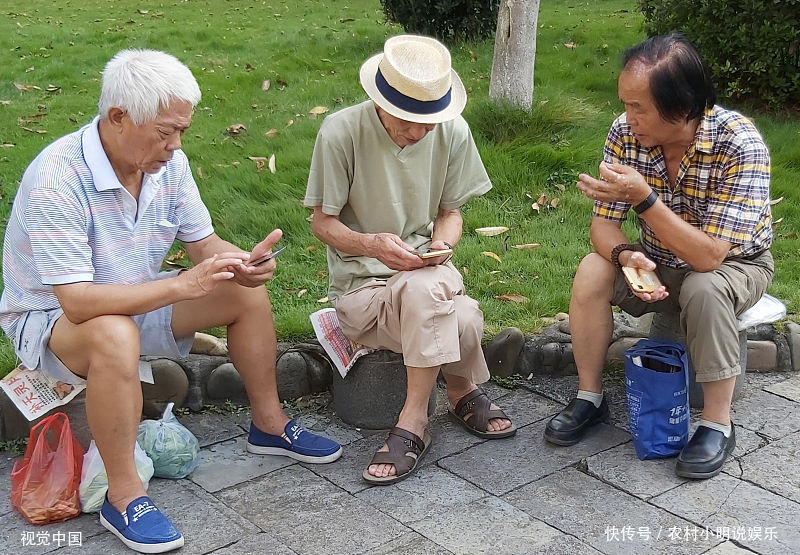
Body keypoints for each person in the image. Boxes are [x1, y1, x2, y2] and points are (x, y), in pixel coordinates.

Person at [0, 49, 341, 553]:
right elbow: (75, 302)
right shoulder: (58, 178)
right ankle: (124, 494)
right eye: (165, 132)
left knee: (241, 293)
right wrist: (182, 286)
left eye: (182, 131)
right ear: (118, 117)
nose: (176, 145)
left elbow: (204, 246)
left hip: (137, 295)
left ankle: (270, 425)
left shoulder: (168, 166)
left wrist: (244, 262)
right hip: (52, 320)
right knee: (114, 331)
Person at [544, 33, 773, 479]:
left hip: (735, 265)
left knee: (705, 288)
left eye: (639, 107)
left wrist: (646, 199)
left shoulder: (739, 144)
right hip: (656, 260)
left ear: (683, 107)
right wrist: (626, 254)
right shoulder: (623, 134)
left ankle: (716, 424)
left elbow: (709, 257)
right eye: (625, 104)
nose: (627, 119)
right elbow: (603, 225)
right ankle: (590, 397)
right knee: (594, 268)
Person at [304, 35, 517, 485]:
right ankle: (444, 399)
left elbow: (450, 213)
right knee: (459, 312)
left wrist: (443, 245)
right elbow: (322, 224)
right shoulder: (341, 133)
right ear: (380, 100)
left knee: (447, 303)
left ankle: (432, 407)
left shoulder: (454, 131)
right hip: (362, 288)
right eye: (407, 118)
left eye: (429, 121)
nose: (418, 132)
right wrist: (374, 245)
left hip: (427, 277)